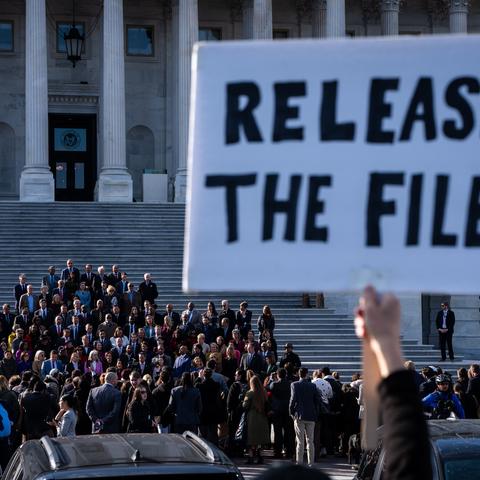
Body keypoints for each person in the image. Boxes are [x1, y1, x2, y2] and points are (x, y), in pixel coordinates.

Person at [289, 367, 321, 467]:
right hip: (311, 415)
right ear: (307, 374)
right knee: (310, 441)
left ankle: (300, 463)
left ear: (299, 374)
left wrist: (291, 412)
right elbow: (317, 401)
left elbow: (292, 400)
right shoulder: (312, 386)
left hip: (299, 415)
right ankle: (311, 463)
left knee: (300, 441)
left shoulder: (294, 385)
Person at [242, 375, 270, 464]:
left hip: (252, 417)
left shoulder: (250, 393)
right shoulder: (264, 392)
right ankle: (260, 457)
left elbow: (244, 405)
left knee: (252, 439)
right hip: (263, 417)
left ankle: (251, 457)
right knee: (260, 439)